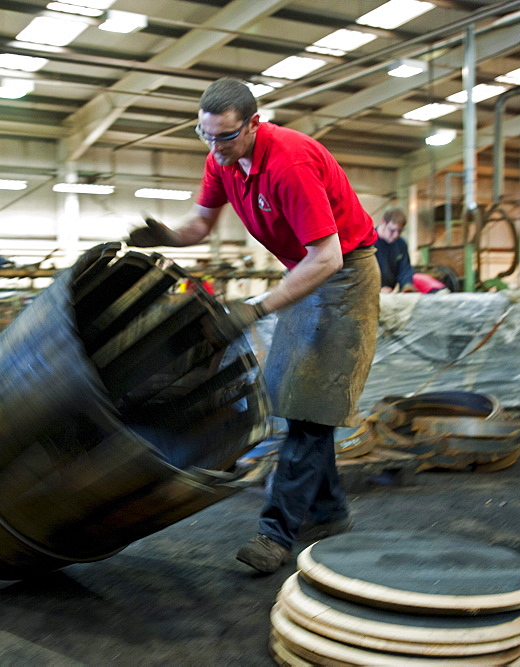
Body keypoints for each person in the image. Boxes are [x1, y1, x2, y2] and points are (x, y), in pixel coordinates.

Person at [126, 78, 380, 573]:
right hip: (305, 272)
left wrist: (258, 307)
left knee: (310, 408)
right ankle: (329, 513)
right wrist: (171, 236)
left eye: (224, 137)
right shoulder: (222, 158)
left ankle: (275, 534)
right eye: (205, 136)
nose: (214, 148)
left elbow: (327, 257)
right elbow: (201, 224)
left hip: (343, 275)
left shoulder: (290, 163)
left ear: (254, 124)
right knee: (295, 401)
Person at [374, 209, 416, 294]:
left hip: (389, 292)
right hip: (371, 292)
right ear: (383, 223)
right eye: (392, 230)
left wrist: (407, 285)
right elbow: (364, 271)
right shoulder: (369, 242)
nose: (396, 235)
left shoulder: (401, 244)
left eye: (400, 231)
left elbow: (405, 268)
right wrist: (378, 288)